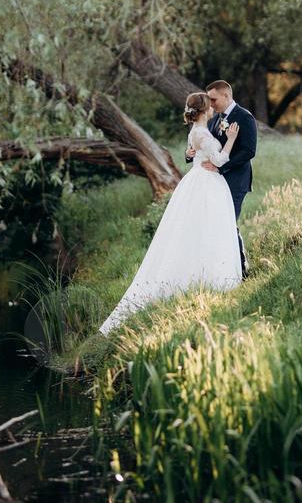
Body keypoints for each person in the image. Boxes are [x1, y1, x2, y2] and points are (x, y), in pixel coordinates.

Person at [98, 92, 242, 336]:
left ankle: (204, 276)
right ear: (206, 110)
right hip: (207, 185)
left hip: (199, 182)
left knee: (198, 231)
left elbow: (192, 152)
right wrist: (230, 139)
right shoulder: (204, 134)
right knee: (209, 229)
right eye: (210, 106)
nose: (212, 109)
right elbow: (219, 159)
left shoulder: (195, 132)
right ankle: (211, 278)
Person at [185, 80, 257, 277]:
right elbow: (202, 144)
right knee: (214, 224)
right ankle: (215, 270)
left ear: (226, 96)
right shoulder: (215, 118)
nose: (211, 103)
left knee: (227, 224)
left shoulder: (244, 117)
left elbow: (249, 151)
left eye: (214, 99)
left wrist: (221, 166)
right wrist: (189, 153)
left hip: (235, 180)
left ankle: (241, 269)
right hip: (213, 182)